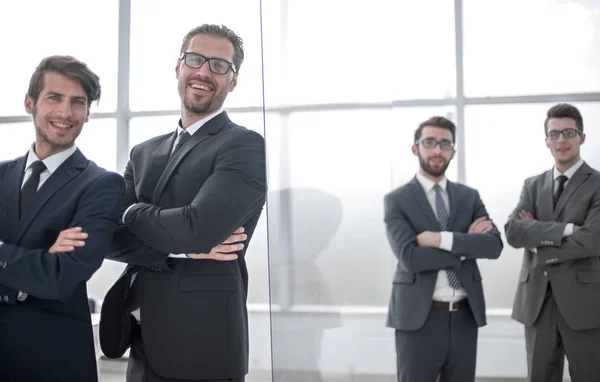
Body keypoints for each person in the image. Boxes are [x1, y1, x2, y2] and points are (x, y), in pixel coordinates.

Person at [99, 24, 267, 382]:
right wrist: (177, 250)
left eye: (219, 65)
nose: (204, 71)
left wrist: (130, 212)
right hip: (143, 339)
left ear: (233, 81)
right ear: (178, 67)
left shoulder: (243, 146)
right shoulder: (143, 152)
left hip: (202, 345)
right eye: (195, 59)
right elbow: (109, 238)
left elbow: (197, 229)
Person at [0, 55, 125, 381]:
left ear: (87, 113)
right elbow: (45, 270)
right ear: (30, 103)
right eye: (54, 98)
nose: (66, 113)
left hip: (53, 360)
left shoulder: (102, 185)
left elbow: (60, 278)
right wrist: (40, 258)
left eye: (78, 103)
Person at [384, 116, 503, 382]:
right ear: (416, 148)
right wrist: (465, 243)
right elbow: (411, 258)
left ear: (453, 150)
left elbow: (494, 246)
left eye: (445, 144)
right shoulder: (397, 200)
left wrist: (442, 240)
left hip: (464, 316)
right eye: (430, 142)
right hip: (417, 319)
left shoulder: (468, 197)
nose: (438, 150)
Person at [504, 103, 600, 382]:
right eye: (554, 134)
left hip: (585, 304)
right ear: (546, 141)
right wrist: (568, 228)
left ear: (582, 137)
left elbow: (593, 240)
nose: (561, 140)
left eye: (568, 133)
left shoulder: (597, 184)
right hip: (537, 302)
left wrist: (538, 242)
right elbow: (513, 231)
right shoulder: (532, 185)